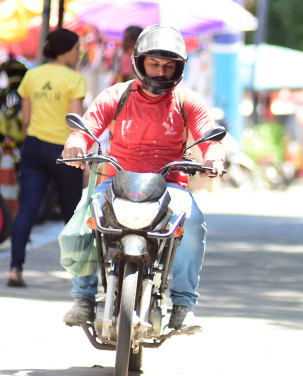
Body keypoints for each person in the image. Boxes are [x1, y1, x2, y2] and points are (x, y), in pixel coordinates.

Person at [60, 25, 225, 332]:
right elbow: (87, 126)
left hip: (170, 186)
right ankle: (82, 298)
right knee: (82, 221)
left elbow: (208, 137)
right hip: (115, 181)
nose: (160, 72)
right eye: (154, 64)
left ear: (178, 68)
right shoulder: (116, 95)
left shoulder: (187, 100)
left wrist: (214, 156)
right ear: (139, 61)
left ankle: (184, 305)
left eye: (168, 66)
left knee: (193, 225)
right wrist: (76, 144)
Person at [7, 29, 86, 288]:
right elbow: (75, 123)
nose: (79, 53)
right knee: (71, 212)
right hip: (64, 151)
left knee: (28, 207)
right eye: (76, 48)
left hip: (33, 147)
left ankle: (16, 268)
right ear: (65, 50)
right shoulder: (75, 80)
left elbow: (26, 119)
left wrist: (31, 144)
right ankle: (78, 274)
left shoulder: (32, 75)